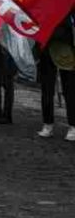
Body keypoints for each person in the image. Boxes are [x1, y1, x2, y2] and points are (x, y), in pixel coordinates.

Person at [36, 11, 75, 140]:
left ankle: (72, 126)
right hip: (46, 44)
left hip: (64, 45)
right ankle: (47, 124)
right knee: (47, 89)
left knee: (69, 89)